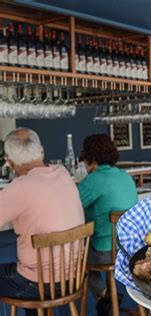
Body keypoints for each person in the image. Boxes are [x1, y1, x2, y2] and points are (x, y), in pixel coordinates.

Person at [0, 128, 84, 315]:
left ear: (10, 162)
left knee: (21, 272)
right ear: (42, 151)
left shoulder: (20, 187)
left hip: (39, 284)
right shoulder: (63, 174)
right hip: (72, 277)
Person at [77, 134, 138, 312]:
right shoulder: (125, 176)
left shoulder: (93, 180)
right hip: (130, 249)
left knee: (78, 259)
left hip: (107, 252)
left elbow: (71, 204)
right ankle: (109, 300)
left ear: (91, 158)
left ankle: (104, 294)